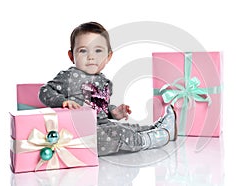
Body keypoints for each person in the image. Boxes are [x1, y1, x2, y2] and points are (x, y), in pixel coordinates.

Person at [39, 21, 177, 156]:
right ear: (71, 56)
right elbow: (44, 91)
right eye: (83, 51)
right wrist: (62, 101)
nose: (91, 56)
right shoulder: (69, 76)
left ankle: (158, 128)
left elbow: (100, 109)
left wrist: (113, 112)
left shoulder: (105, 82)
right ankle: (153, 139)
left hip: (102, 125)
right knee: (116, 134)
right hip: (82, 132)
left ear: (108, 56)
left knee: (127, 127)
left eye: (98, 50)